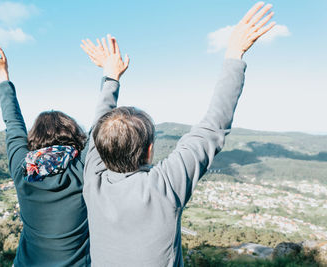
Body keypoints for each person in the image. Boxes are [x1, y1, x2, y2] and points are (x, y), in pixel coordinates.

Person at [81, 2, 276, 266]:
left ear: (99, 149)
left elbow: (98, 126)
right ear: (149, 150)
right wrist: (235, 52)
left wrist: (110, 76)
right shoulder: (164, 186)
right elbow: (213, 125)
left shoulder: (93, 181)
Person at [0, 43, 90, 266]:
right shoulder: (83, 169)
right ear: (75, 135)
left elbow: (13, 122)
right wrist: (111, 76)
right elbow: (99, 132)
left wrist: (2, 76)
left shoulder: (23, 168)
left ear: (33, 139)